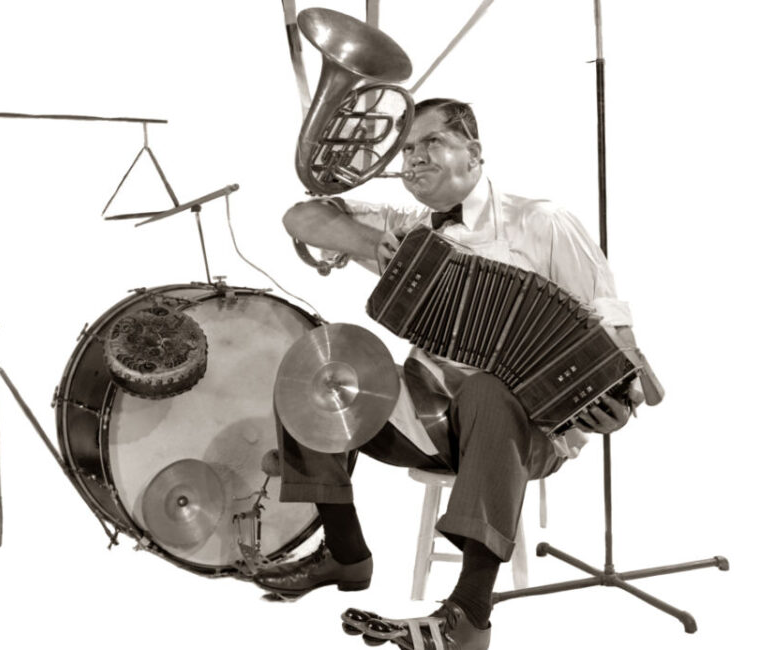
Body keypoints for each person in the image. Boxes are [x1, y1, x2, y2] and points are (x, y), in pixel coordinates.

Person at [254, 98, 645, 650]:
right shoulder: (409, 230)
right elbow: (301, 216)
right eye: (407, 149)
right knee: (318, 363)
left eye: (429, 143)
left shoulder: (542, 222)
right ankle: (345, 554)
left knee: (488, 387)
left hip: (531, 430)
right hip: (429, 415)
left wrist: (617, 406)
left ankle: (468, 616)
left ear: (473, 152)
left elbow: (611, 322)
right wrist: (373, 245)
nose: (413, 158)